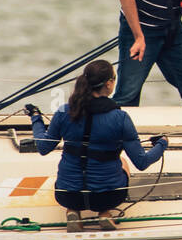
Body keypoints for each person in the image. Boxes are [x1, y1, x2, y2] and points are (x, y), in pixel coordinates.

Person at [27, 60, 167, 231]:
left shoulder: (64, 111)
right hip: (108, 197)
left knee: (72, 170)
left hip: (67, 196)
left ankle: (73, 212)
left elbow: (43, 147)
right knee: (123, 161)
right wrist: (162, 143)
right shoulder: (119, 117)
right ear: (109, 83)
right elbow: (142, 162)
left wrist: (35, 117)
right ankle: (104, 214)